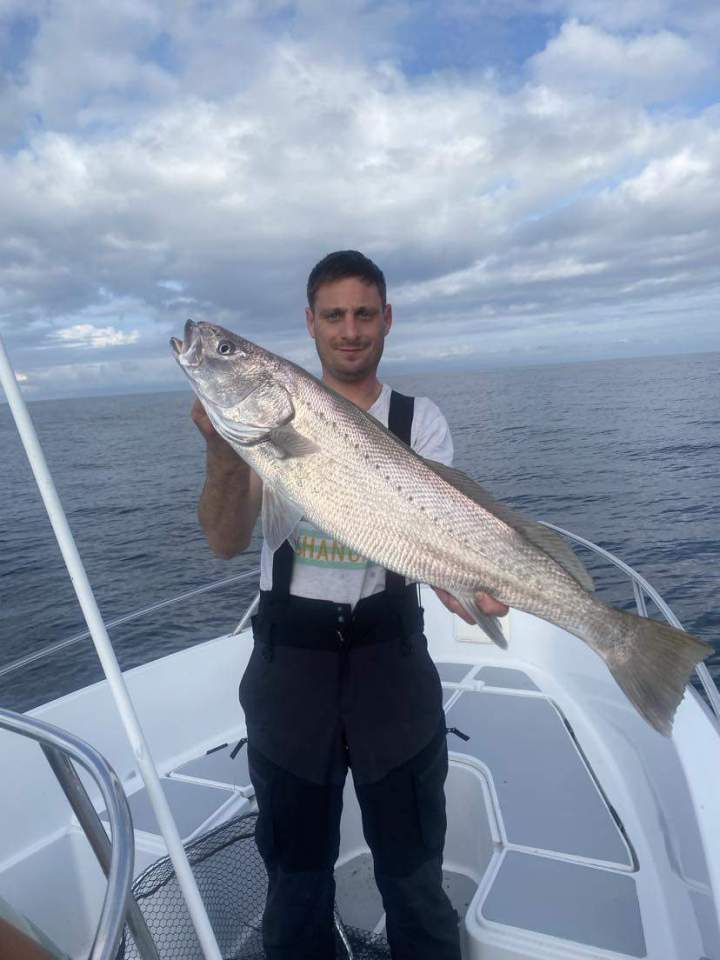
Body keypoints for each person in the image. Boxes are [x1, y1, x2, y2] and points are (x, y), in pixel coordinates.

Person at [192, 251, 508, 959]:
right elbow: (224, 541)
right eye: (334, 315)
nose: (350, 330)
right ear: (310, 323)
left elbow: (440, 532)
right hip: (290, 669)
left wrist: (464, 580)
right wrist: (222, 451)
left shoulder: (418, 420)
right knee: (295, 877)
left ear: (387, 319)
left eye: (364, 314)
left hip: (389, 662)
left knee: (413, 872)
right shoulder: (262, 427)